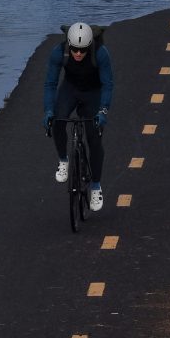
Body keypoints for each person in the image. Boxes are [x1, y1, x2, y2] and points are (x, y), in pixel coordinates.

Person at [44, 22, 114, 212]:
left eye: (82, 50)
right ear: (69, 45)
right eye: (74, 49)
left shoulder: (101, 53)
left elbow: (108, 85)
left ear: (89, 46)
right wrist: (48, 110)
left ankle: (96, 186)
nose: (78, 54)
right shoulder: (59, 52)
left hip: (93, 91)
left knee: (94, 137)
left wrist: (103, 111)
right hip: (71, 89)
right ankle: (64, 160)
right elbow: (50, 83)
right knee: (57, 121)